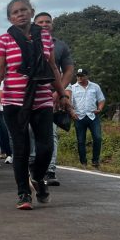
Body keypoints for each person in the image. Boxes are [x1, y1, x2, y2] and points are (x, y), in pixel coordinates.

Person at [0, 0, 68, 210]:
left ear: (32, 12)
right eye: (15, 12)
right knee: (20, 148)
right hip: (14, 100)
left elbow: (53, 68)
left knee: (46, 147)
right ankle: (24, 193)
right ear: (9, 18)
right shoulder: (4, 40)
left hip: (42, 98)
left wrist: (62, 94)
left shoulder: (45, 37)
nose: (20, 14)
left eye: (24, 10)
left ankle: (38, 177)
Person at [33, 12, 75, 186]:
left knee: (50, 134)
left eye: (47, 22)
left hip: (52, 95)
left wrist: (60, 91)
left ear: (52, 24)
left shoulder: (60, 46)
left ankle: (50, 170)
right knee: (29, 134)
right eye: (40, 22)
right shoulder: (26, 43)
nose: (44, 24)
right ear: (34, 24)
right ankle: (33, 167)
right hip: (28, 95)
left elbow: (69, 70)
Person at [68, 68, 105, 168]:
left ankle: (95, 161)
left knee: (98, 138)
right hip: (79, 117)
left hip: (93, 116)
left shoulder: (95, 86)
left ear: (86, 76)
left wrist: (100, 109)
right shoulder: (72, 87)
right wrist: (72, 112)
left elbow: (101, 99)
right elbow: (69, 102)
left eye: (82, 75)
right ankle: (83, 162)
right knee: (81, 141)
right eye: (78, 76)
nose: (79, 77)